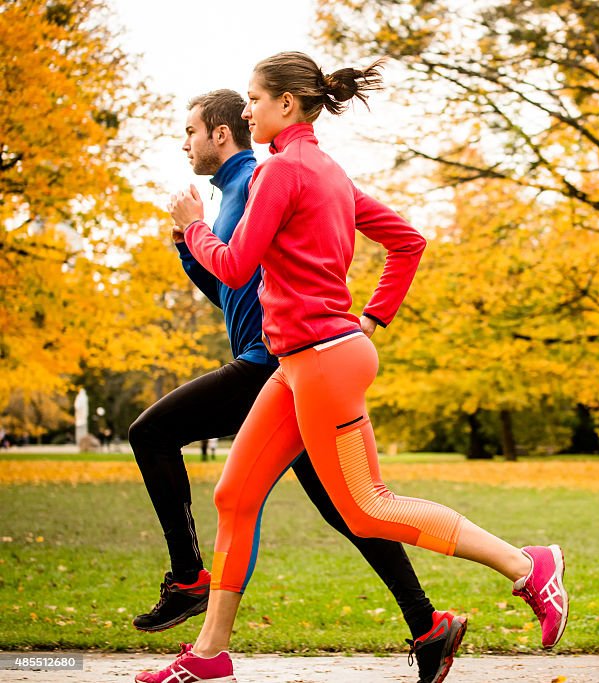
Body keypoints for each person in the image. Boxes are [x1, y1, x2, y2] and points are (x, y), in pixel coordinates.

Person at [144, 52, 569, 683]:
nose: (249, 109)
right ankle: (208, 657)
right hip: (301, 362)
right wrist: (373, 316)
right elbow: (408, 241)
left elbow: (233, 266)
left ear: (284, 104)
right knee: (234, 495)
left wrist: (194, 229)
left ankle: (528, 566)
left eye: (256, 99)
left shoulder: (281, 171)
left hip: (320, 362)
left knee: (367, 507)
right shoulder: (329, 173)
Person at [130, 89, 464, 683]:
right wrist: (188, 243)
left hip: (276, 364)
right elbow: (232, 292)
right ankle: (427, 624)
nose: (183, 143)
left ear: (221, 133)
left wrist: (199, 233)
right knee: (350, 510)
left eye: (190, 131)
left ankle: (189, 579)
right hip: (284, 365)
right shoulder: (238, 189)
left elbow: (245, 274)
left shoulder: (265, 179)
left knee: (152, 432)